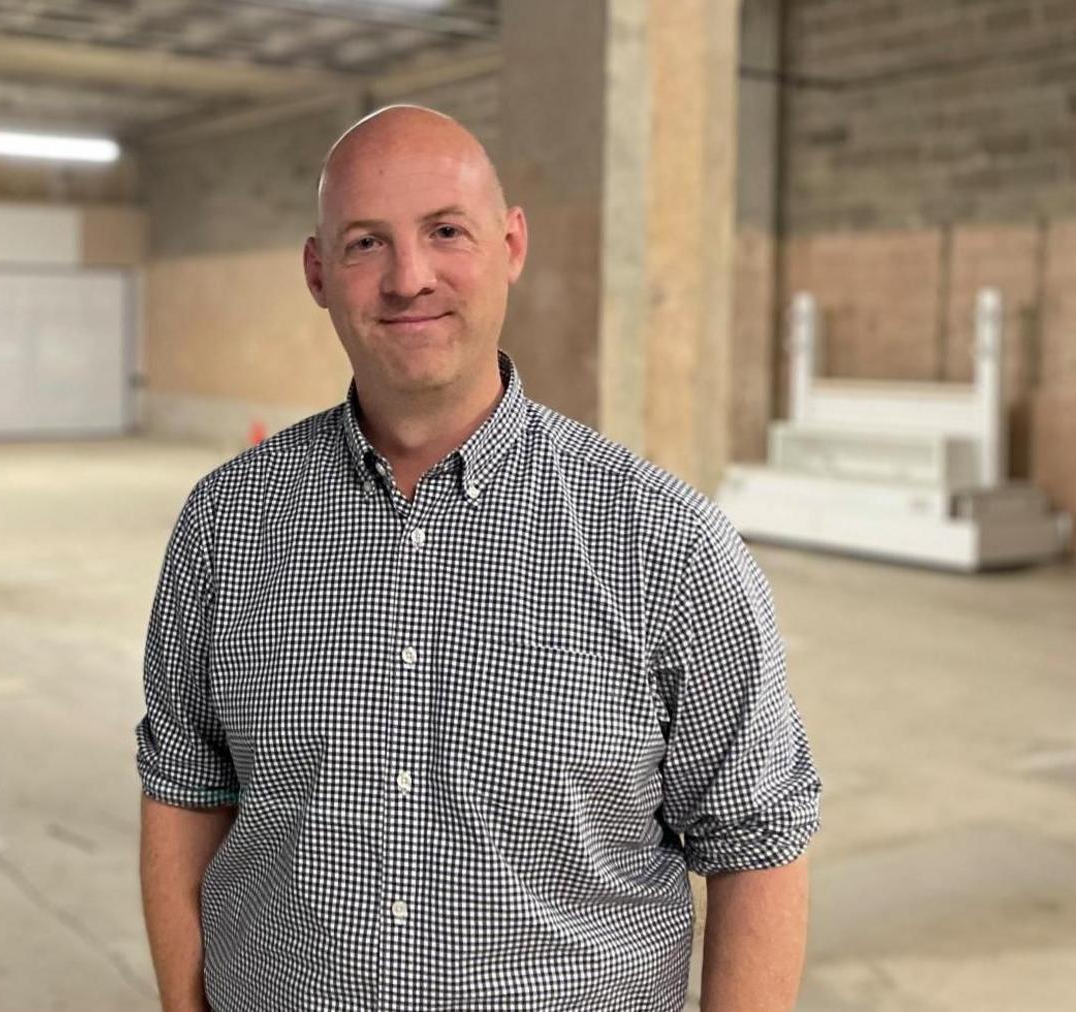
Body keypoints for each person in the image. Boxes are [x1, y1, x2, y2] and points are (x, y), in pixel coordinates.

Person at [136, 105, 820, 1012]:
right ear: (317, 273)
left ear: (511, 245)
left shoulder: (667, 543)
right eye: (366, 244)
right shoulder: (227, 527)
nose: (408, 278)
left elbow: (756, 842)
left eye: (445, 232)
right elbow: (184, 788)